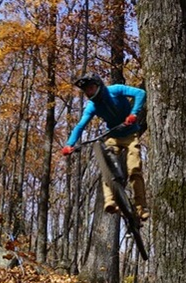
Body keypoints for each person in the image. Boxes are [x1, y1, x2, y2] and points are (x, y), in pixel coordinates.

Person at [61, 72, 149, 221]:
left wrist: (134, 113)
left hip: (130, 135)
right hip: (113, 136)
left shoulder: (115, 90)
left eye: (91, 88)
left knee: (134, 169)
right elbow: (80, 125)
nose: (89, 92)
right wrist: (69, 144)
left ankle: (141, 207)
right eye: (87, 90)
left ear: (98, 85)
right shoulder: (92, 106)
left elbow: (140, 93)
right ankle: (110, 201)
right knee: (105, 164)